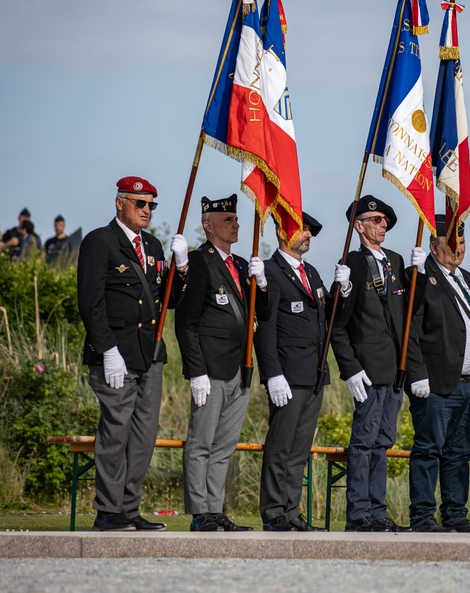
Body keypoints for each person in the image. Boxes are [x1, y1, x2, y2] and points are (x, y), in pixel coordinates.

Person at [77, 176, 186, 531]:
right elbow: (90, 302)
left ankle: (129, 507)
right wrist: (107, 349)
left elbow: (172, 301)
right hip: (116, 354)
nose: (146, 211)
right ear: (119, 202)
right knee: (116, 431)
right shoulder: (100, 242)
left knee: (143, 434)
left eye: (151, 205)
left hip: (148, 354)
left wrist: (182, 269)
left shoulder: (152, 244)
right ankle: (108, 510)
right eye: (139, 204)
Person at [174, 195, 269, 532]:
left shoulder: (242, 265)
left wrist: (265, 285)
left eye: (236, 218)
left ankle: (215, 509)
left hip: (240, 368)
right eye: (228, 219)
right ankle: (200, 512)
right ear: (208, 225)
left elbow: (263, 315)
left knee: (224, 446)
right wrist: (196, 371)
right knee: (201, 442)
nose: (236, 224)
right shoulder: (201, 262)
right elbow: (186, 321)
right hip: (211, 370)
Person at [331, 195, 421, 533]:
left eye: (385, 221)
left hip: (394, 369)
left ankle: (377, 510)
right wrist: (350, 367)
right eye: (375, 220)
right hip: (367, 369)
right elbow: (338, 325)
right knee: (364, 442)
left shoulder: (396, 261)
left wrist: (419, 275)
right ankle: (359, 514)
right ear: (359, 226)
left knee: (383, 442)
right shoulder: (351, 262)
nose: (382, 225)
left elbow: (410, 312)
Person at [407, 215, 470, 533]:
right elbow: (410, 330)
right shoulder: (420, 276)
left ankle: (456, 515)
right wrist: (416, 373)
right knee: (429, 449)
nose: (458, 248)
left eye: (461, 242)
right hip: (435, 382)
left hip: (469, 385)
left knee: (460, 452)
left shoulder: (468, 279)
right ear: (434, 246)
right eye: (450, 242)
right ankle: (422, 516)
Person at [257, 212, 345, 531]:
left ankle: (291, 510)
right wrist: (273, 373)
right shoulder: (271, 271)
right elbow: (265, 327)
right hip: (288, 374)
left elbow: (325, 318)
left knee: (299, 449)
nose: (308, 234)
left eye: (309, 230)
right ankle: (273, 511)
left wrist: (341, 290)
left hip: (315, 373)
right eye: (302, 229)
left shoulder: (311, 272)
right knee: (281, 446)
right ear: (283, 232)